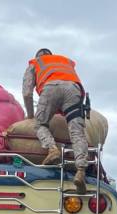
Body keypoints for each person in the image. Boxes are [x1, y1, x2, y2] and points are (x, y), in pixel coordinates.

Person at [22, 48, 90, 194]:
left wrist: (30, 115)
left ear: (38, 56)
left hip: (51, 88)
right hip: (73, 89)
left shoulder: (35, 62)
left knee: (40, 124)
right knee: (77, 132)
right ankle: (81, 171)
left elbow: (27, 92)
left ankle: (52, 150)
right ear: (50, 56)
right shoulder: (64, 61)